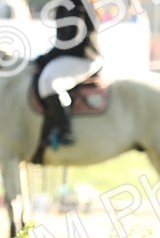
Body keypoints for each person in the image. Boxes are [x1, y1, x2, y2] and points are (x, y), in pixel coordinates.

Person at [37, 0, 104, 148]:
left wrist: (43, 59)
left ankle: (65, 131)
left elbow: (70, 42)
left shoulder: (77, 4)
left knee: (49, 82)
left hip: (83, 57)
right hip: (73, 55)